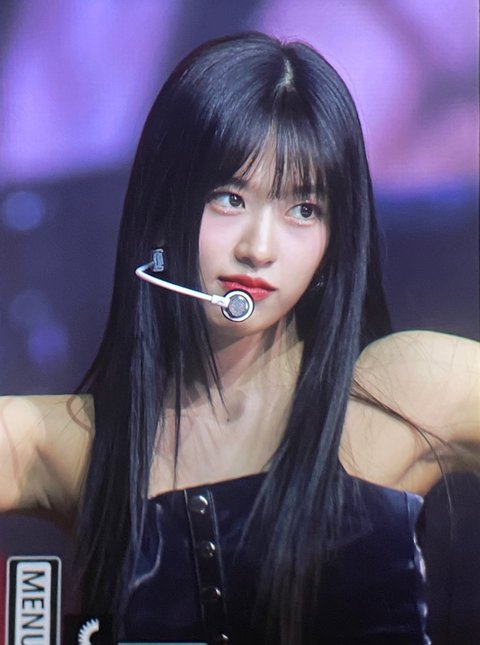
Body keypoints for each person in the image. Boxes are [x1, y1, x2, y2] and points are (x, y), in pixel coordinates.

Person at [1, 32, 479, 645]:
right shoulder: (70, 441)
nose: (259, 247)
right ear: (166, 208)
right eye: (230, 199)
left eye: (303, 210)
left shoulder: (403, 390)